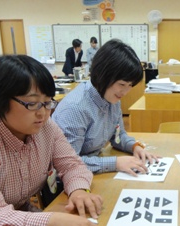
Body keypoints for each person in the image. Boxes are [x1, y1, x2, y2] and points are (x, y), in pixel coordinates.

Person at [0, 54, 103, 226]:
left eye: (47, 103)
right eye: (33, 103)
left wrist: (78, 190)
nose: (43, 113)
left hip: (21, 223)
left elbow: (72, 164)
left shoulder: (46, 128)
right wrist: (53, 221)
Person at [52, 39, 159, 176]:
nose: (125, 92)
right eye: (121, 84)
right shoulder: (76, 107)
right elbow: (68, 163)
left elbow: (118, 136)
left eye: (130, 86)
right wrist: (115, 163)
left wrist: (134, 147)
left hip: (94, 171)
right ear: (103, 75)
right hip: (69, 182)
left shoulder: (111, 98)